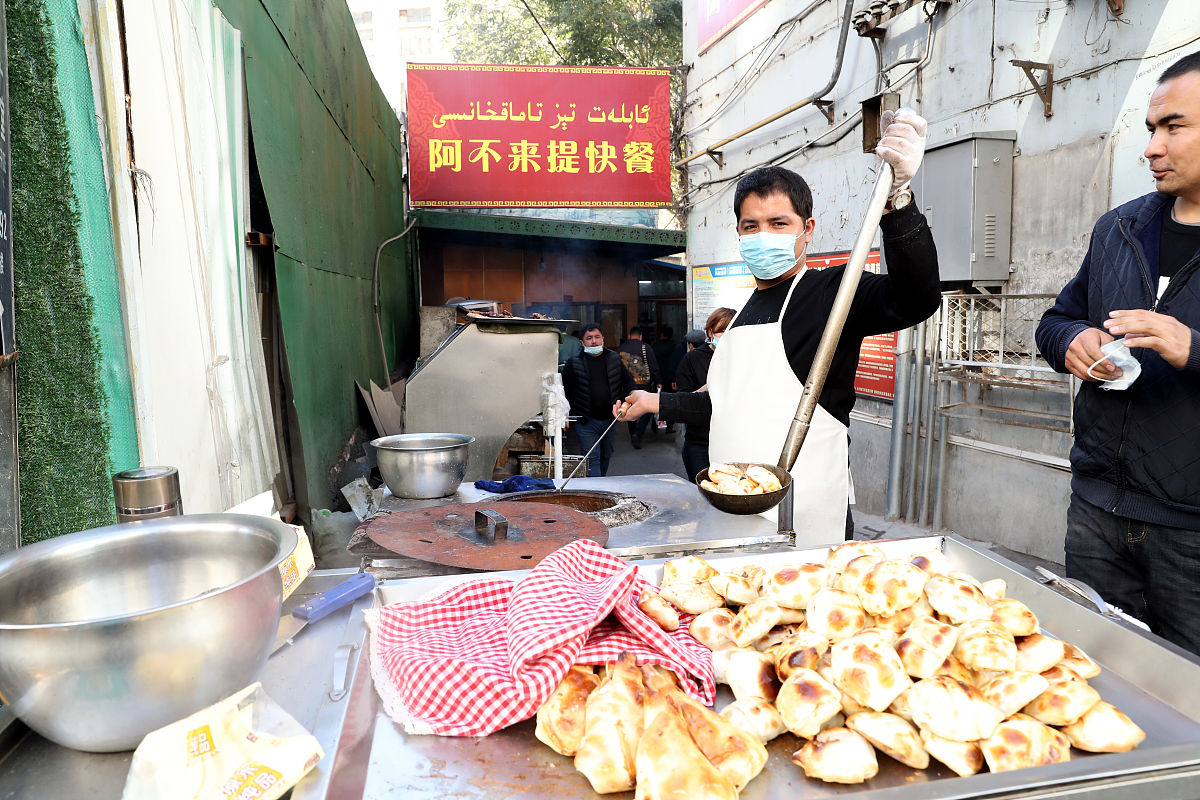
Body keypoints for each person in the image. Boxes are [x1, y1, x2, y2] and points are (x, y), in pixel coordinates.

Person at [617, 109, 940, 542]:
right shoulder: (743, 312)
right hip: (732, 506)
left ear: (806, 230)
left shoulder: (833, 292)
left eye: (778, 223)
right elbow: (726, 405)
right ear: (738, 232)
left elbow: (915, 298)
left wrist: (897, 202)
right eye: (751, 226)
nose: (763, 233)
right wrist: (655, 402)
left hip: (806, 513)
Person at [1034, 52, 1200, 655]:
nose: (1152, 147)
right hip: (1098, 509)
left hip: (1191, 532)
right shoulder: (1119, 228)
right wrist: (1071, 342)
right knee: (1092, 673)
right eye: (1151, 129)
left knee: (1188, 703)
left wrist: (1193, 348)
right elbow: (1055, 321)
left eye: (1173, 127)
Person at [563, 323, 633, 477]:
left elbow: (628, 381)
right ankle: (597, 489)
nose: (593, 341)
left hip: (611, 419)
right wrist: (567, 414)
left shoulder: (614, 358)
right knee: (591, 460)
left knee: (605, 456)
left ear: (603, 339)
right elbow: (564, 390)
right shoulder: (573, 362)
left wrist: (631, 398)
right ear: (582, 342)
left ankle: (601, 483)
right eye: (589, 338)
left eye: (597, 337)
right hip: (586, 422)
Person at [675, 310, 736, 481]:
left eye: (731, 330)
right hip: (700, 442)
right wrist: (708, 387)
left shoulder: (744, 357)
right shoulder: (692, 359)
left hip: (734, 441)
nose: (726, 336)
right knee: (701, 496)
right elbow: (683, 401)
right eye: (721, 331)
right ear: (709, 332)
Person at [617, 326, 661, 449]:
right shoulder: (646, 347)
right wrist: (658, 381)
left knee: (630, 406)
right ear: (640, 336)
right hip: (644, 383)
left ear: (629, 335)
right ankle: (639, 432)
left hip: (628, 384)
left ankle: (633, 434)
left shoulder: (621, 348)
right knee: (647, 408)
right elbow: (653, 366)